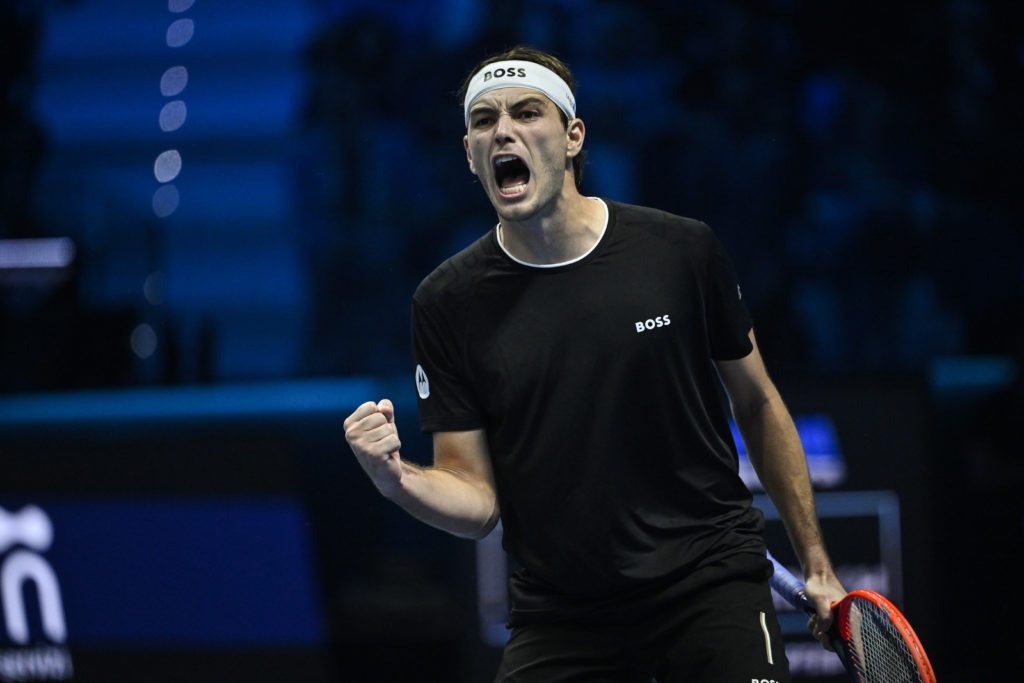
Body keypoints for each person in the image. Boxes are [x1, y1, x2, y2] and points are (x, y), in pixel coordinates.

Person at [344, 45, 847, 682]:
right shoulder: (446, 302)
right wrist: (395, 480)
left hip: (710, 581)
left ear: (573, 136)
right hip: (564, 614)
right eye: (484, 120)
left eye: (528, 113)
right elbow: (476, 499)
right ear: (470, 154)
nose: (503, 130)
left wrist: (818, 566)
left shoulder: (681, 250)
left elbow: (756, 402)